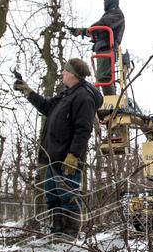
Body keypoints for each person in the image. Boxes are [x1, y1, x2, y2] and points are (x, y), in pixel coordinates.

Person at [13, 58, 100, 239]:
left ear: (73, 75)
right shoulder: (66, 94)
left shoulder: (84, 97)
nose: (62, 74)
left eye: (65, 71)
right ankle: (57, 231)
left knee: (68, 197)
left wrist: (74, 155)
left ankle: (70, 235)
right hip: (53, 156)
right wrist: (27, 91)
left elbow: (83, 130)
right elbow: (47, 107)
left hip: (68, 158)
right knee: (53, 197)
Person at [71, 0, 125, 96]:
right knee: (101, 77)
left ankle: (110, 103)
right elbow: (97, 30)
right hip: (102, 48)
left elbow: (102, 25)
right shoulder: (110, 13)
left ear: (111, 0)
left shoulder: (117, 14)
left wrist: (90, 29)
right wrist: (81, 31)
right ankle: (106, 101)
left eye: (106, 0)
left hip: (108, 48)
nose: (104, 3)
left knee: (104, 77)